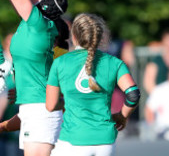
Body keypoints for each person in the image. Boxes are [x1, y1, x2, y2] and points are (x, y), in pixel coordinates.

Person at [0, 0, 67, 156]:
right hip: (32, 108)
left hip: (40, 111)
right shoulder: (35, 25)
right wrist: (3, 126)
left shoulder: (38, 23)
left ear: (44, 5)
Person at [45, 14, 139, 156]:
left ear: (74, 36)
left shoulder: (60, 63)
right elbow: (133, 95)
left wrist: (69, 101)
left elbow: (51, 105)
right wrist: (122, 116)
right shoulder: (114, 62)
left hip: (73, 140)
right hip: (105, 142)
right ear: (99, 36)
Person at [143, 29, 169, 94]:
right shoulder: (155, 62)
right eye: (168, 40)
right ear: (163, 41)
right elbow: (149, 84)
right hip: (160, 99)